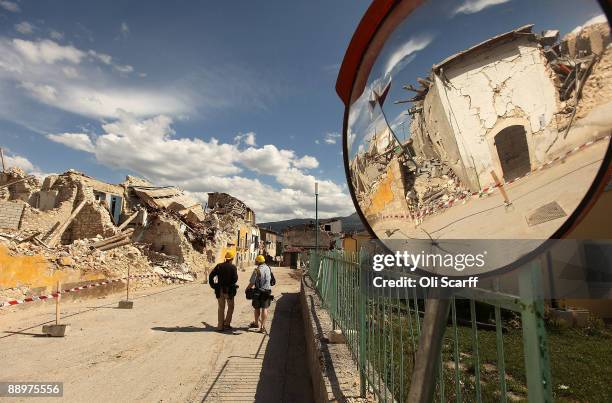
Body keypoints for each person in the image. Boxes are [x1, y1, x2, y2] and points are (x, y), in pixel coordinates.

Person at [209, 250, 238, 331]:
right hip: (229, 291)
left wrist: (213, 285)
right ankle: (227, 324)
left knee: (221, 308)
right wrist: (231, 284)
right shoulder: (233, 267)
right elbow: (235, 279)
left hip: (219, 290)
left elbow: (211, 276)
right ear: (232, 259)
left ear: (225, 258)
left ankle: (220, 326)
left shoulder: (219, 266)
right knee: (231, 307)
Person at [247, 255, 273, 333]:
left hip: (258, 292)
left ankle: (256, 323)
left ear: (258, 262)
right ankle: (262, 327)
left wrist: (247, 289)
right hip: (267, 291)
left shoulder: (257, 270)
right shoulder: (268, 268)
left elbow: (252, 283)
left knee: (257, 308)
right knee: (264, 309)